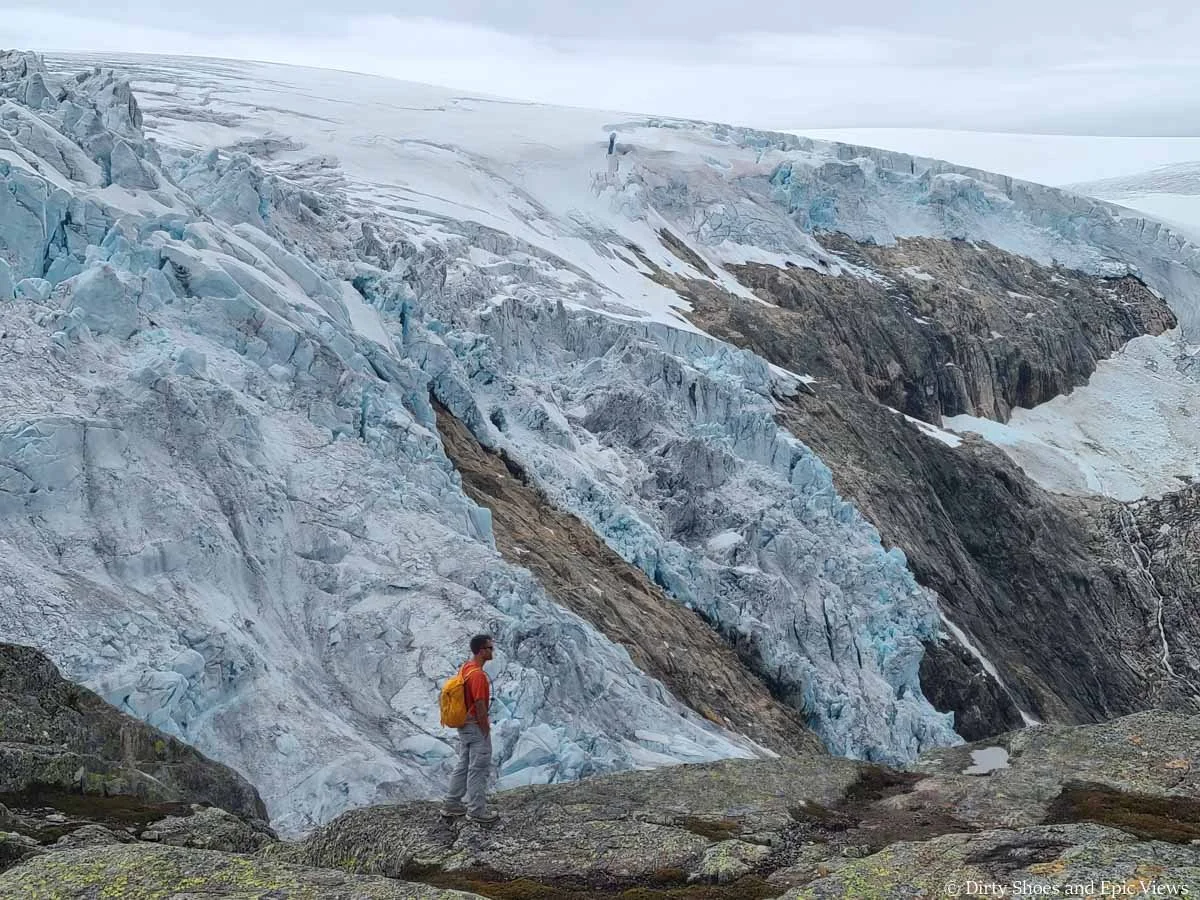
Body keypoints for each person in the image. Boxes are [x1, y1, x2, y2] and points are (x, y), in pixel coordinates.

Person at [441, 634, 498, 823]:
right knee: (478, 768)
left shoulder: (466, 668)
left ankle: (452, 803)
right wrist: (485, 728)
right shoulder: (478, 676)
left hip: (464, 725)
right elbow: (480, 704)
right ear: (481, 651)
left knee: (463, 764)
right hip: (475, 726)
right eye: (490, 648)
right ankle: (476, 811)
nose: (492, 651)